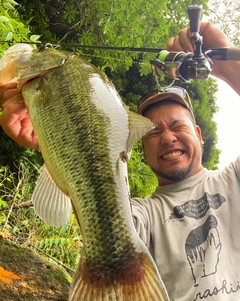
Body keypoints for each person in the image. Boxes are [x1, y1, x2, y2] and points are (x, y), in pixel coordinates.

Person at [1, 21, 240, 300]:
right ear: (134, 143)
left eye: (177, 126)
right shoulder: (138, 217)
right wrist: (51, 142)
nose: (167, 137)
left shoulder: (233, 181)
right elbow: (91, 194)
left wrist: (229, 66)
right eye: (154, 131)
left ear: (199, 134)